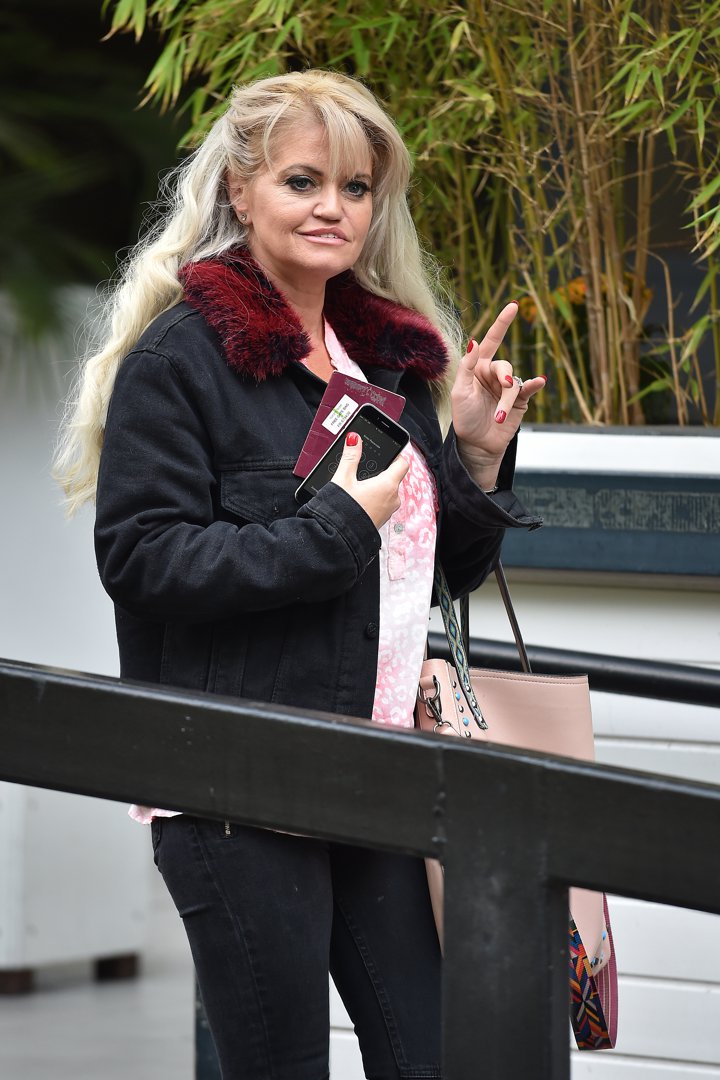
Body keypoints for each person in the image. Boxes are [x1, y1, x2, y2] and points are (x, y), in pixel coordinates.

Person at [55, 69, 544, 1080]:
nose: (332, 208)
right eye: (303, 181)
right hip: (238, 781)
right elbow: (141, 559)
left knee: (438, 1054)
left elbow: (433, 573)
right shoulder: (183, 361)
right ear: (242, 189)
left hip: (376, 775)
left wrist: (476, 458)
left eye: (356, 189)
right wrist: (331, 527)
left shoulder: (384, 361)